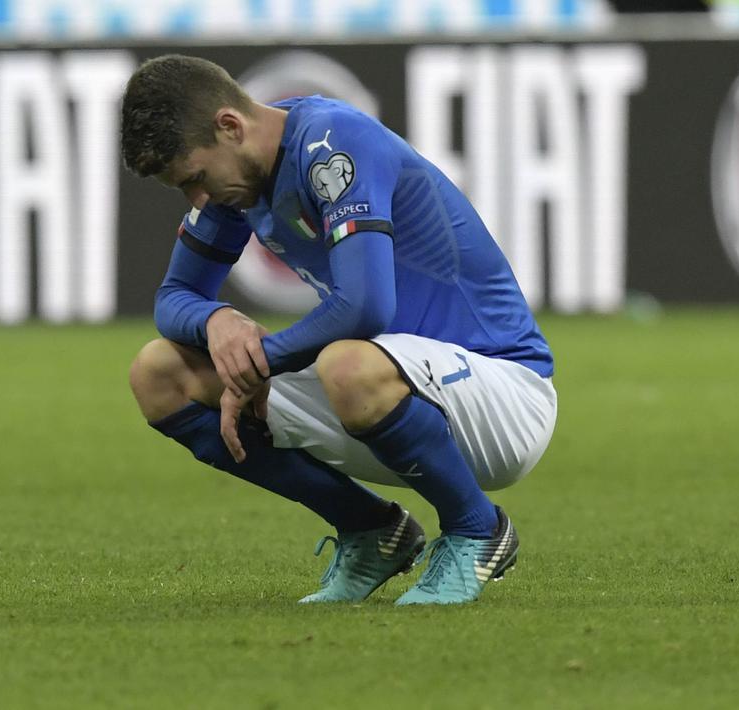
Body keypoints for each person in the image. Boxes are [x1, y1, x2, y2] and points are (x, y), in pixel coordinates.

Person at [120, 55, 557, 606]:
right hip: (391, 393)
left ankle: (477, 528)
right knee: (159, 373)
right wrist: (217, 320)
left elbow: (365, 307)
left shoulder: (333, 143)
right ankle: (372, 531)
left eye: (195, 179)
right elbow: (173, 298)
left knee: (346, 362)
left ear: (229, 126)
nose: (197, 200)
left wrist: (259, 362)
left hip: (502, 393)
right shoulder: (236, 180)